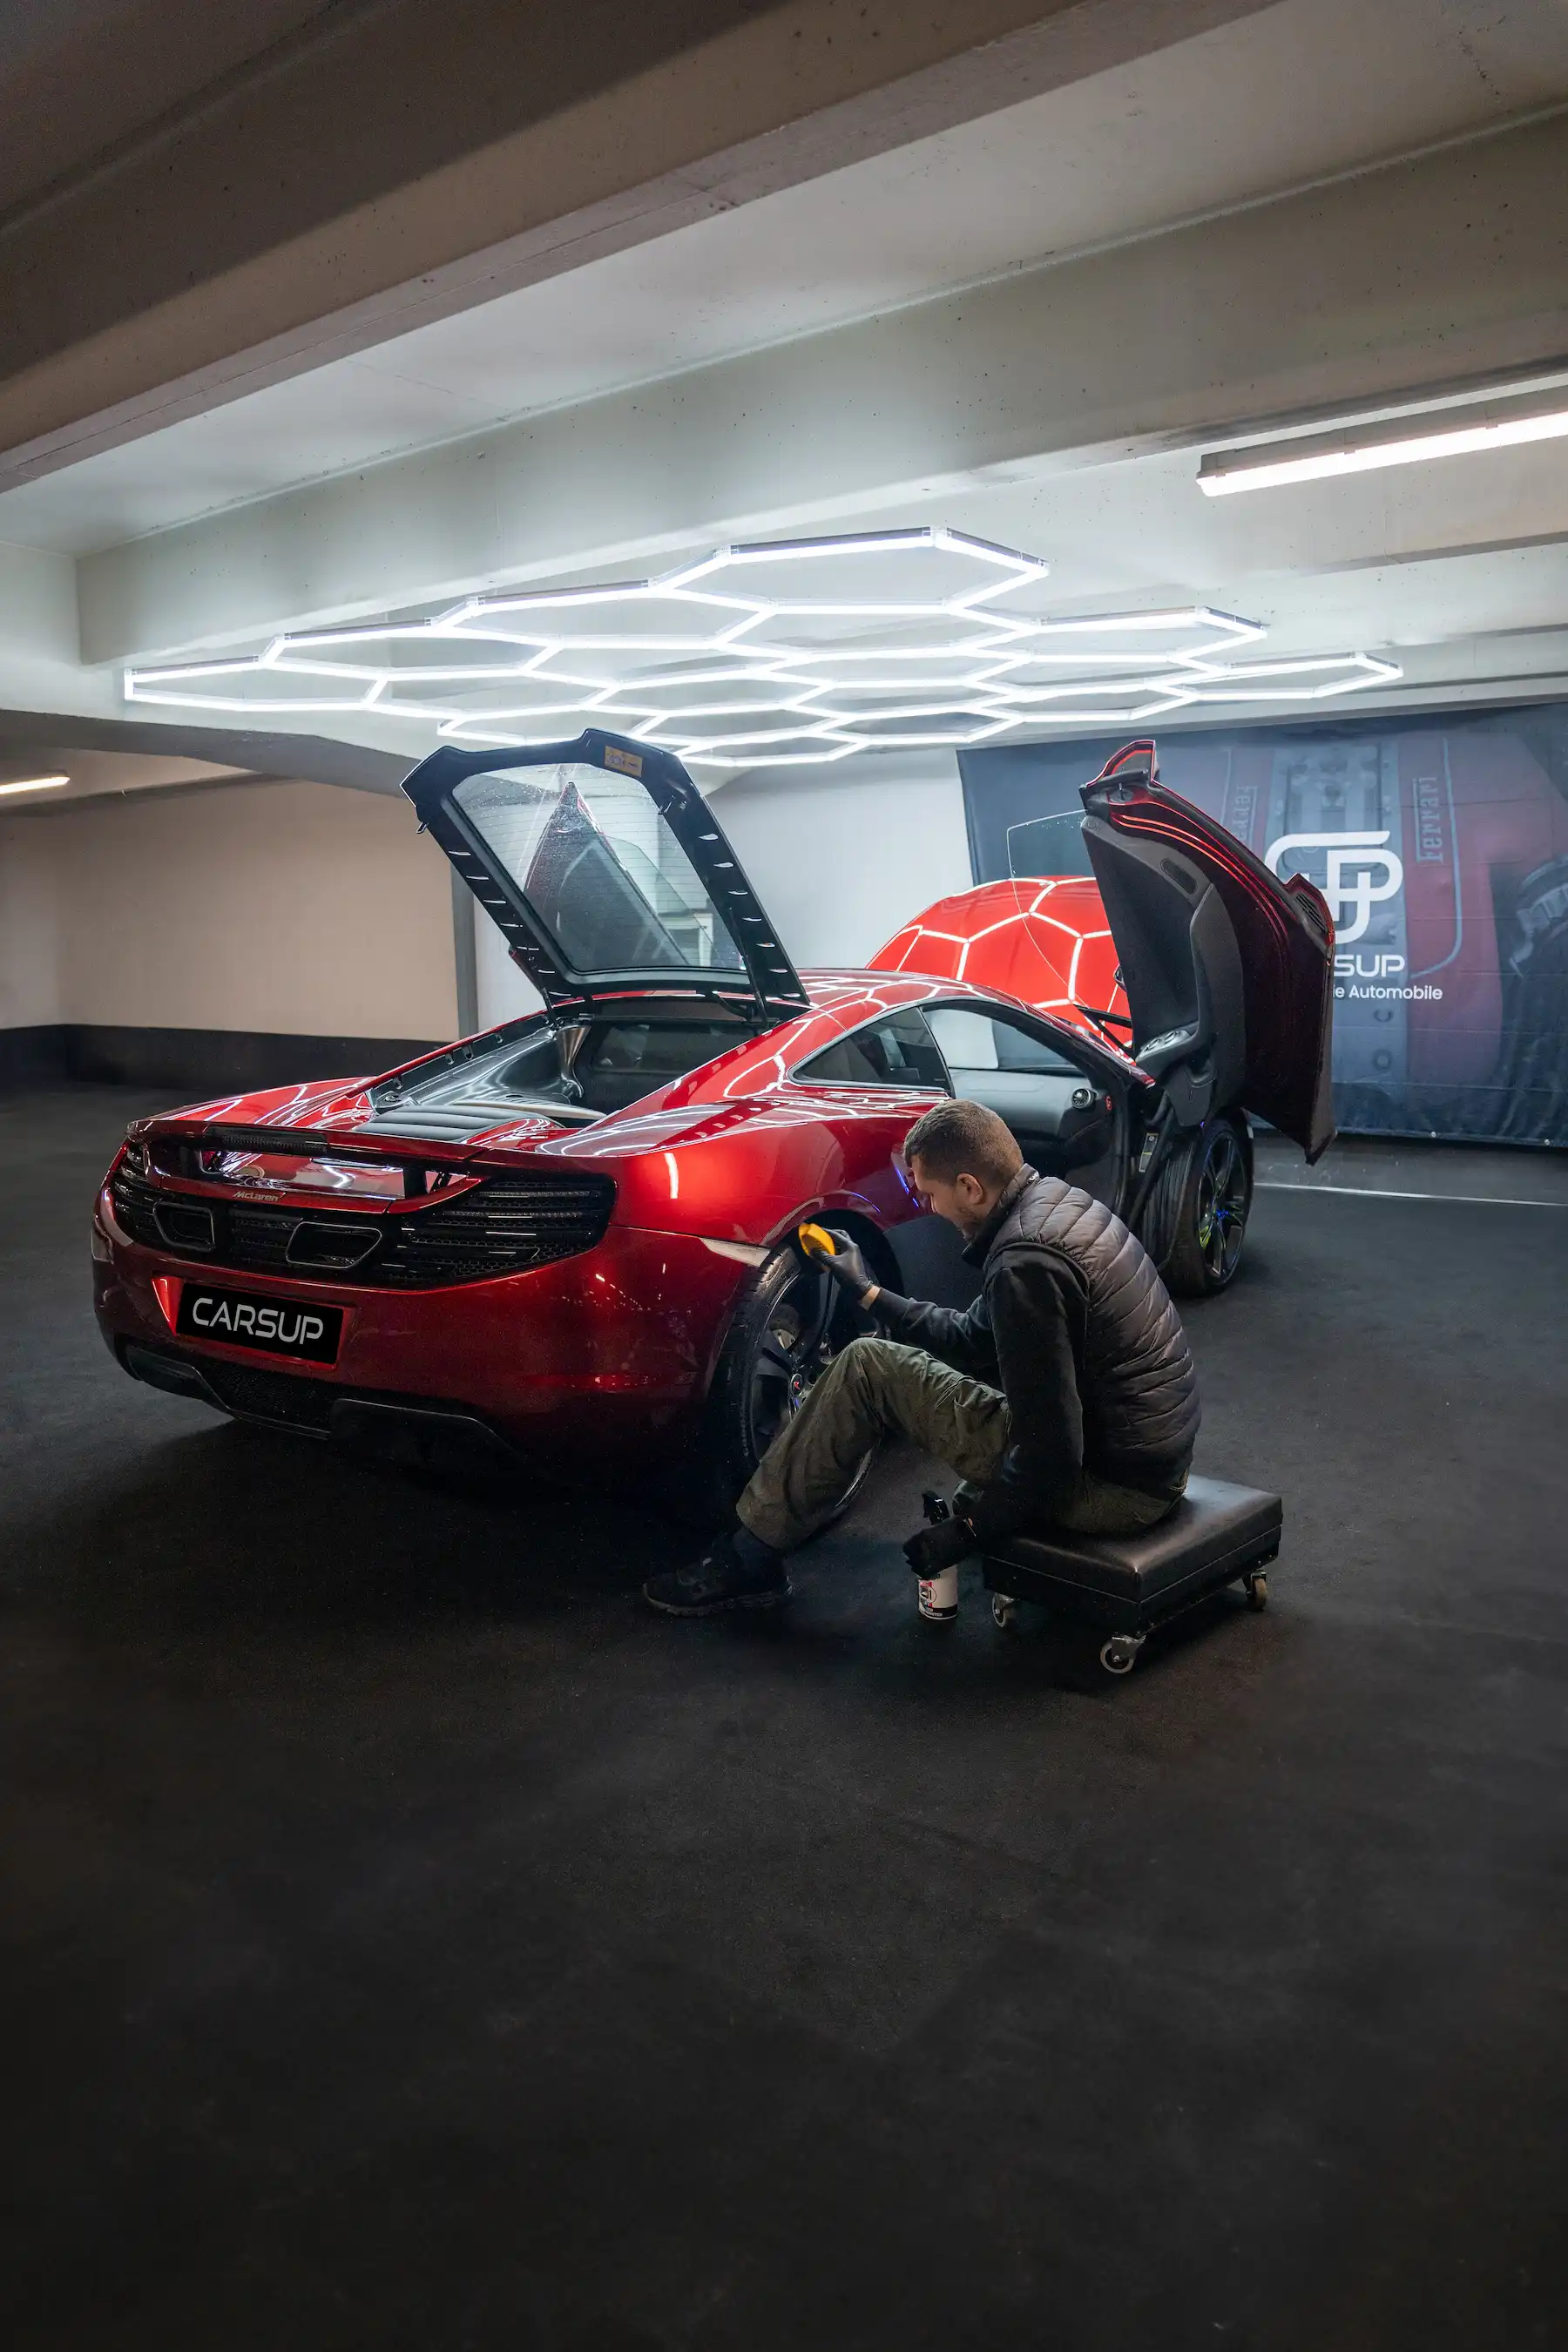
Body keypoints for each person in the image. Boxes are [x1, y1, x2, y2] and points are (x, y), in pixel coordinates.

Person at [642, 1098, 1200, 1616]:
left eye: (931, 1195)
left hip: (1115, 1491)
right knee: (893, 1380)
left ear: (970, 1186)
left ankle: (748, 1559)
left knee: (866, 1368)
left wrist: (971, 1530)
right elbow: (973, 1339)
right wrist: (869, 1292)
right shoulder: (1050, 1209)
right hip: (1149, 1459)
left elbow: (1053, 1449)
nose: (930, 1210)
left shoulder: (1023, 1264)